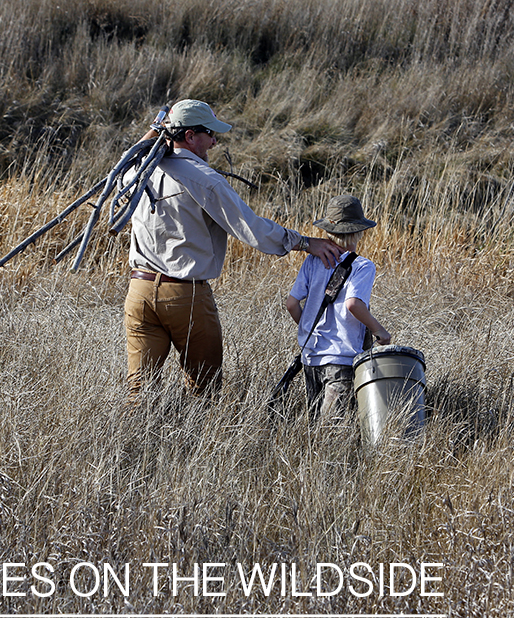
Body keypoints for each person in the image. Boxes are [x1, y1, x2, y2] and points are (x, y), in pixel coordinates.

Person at [123, 99, 342, 397]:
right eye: (210, 134)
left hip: (139, 292)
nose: (214, 142)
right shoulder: (205, 180)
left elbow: (125, 167)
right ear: (190, 136)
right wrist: (304, 242)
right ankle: (195, 442)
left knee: (140, 391)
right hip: (185, 295)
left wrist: (153, 134)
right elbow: (250, 228)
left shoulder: (135, 172)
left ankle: (135, 442)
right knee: (204, 390)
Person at [285, 194, 392, 425]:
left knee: (315, 425)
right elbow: (353, 304)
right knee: (332, 430)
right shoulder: (362, 266)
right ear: (358, 231)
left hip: (311, 356)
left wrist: (309, 330)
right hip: (340, 358)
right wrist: (380, 331)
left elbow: (291, 304)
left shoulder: (313, 261)